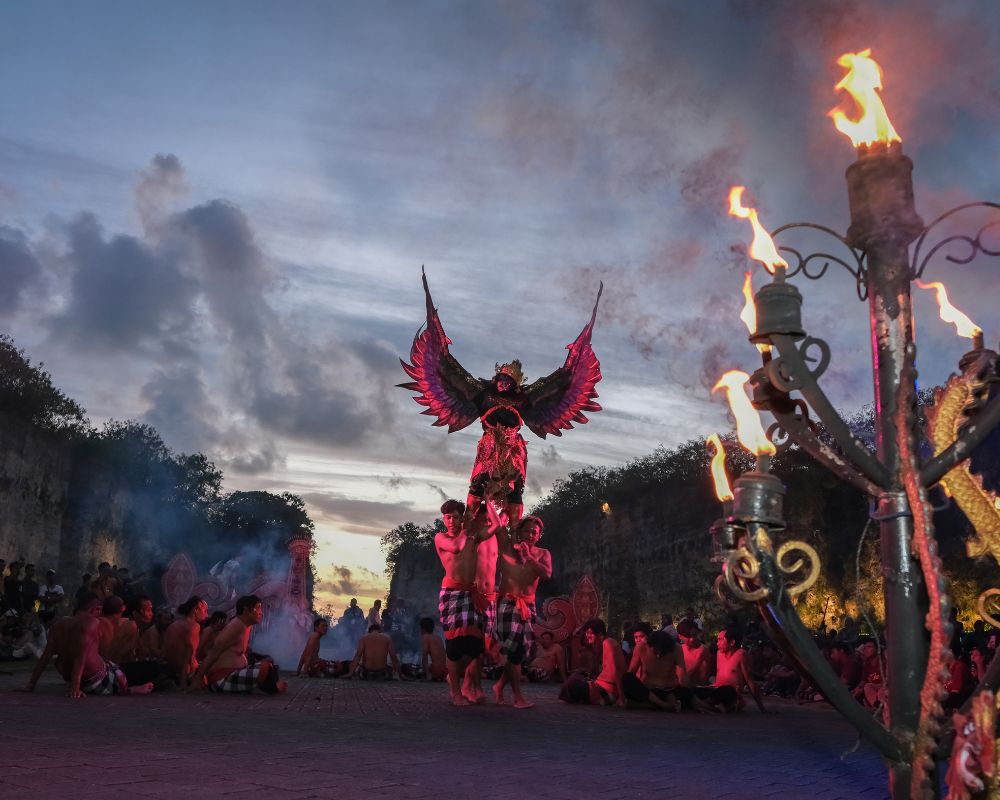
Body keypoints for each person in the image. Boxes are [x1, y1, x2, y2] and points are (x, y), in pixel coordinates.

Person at [23, 592, 153, 697]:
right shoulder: (91, 622)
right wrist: (75, 687)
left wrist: (31, 684)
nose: (101, 616)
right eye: (100, 612)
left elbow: (45, 658)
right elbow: (81, 655)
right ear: (96, 609)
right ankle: (130, 689)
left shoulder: (58, 626)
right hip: (99, 681)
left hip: (86, 678)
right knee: (152, 669)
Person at [434, 498, 496, 705]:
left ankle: (457, 679)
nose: (451, 520)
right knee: (455, 645)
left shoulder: (472, 536)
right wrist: (467, 527)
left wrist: (488, 503)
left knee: (476, 645)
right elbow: (457, 547)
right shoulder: (441, 537)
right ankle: (455, 693)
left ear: (462, 518)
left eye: (456, 517)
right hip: (451, 592)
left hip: (471, 592)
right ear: (444, 519)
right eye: (448, 517)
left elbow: (496, 526)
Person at [492, 512, 552, 709]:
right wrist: (493, 503)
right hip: (507, 603)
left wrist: (529, 557)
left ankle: (500, 685)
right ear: (519, 532)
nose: (530, 534)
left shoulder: (543, 553)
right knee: (513, 650)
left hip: (528, 605)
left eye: (534, 532)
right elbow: (499, 528)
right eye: (526, 530)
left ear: (539, 535)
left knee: (520, 652)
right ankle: (518, 696)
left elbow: (546, 575)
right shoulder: (508, 546)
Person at [189, 595, 286, 694]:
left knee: (269, 664)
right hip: (221, 679)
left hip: (234, 672)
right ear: (246, 610)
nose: (261, 612)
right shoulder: (235, 626)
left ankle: (267, 684)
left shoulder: (246, 626)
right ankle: (272, 687)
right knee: (265, 669)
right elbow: (214, 652)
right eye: (257, 608)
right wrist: (198, 679)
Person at [695, 626, 768, 713]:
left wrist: (762, 709)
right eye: (718, 640)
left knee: (726, 690)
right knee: (694, 690)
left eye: (720, 640)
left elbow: (749, 682)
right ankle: (710, 706)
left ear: (732, 642)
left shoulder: (741, 654)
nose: (717, 643)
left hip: (730, 693)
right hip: (716, 689)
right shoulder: (719, 653)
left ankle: (708, 705)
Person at [559, 619, 627, 706]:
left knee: (571, 686)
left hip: (607, 690)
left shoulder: (608, 643)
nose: (587, 636)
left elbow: (615, 671)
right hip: (601, 686)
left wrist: (622, 697)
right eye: (587, 633)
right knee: (576, 676)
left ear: (600, 634)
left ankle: (601, 699)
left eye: (590, 633)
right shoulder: (603, 645)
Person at [623, 630, 692, 711]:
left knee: (688, 692)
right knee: (627, 678)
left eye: (662, 652)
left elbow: (683, 680)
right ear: (649, 645)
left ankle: (649, 705)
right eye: (655, 651)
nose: (658, 655)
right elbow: (631, 673)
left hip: (667, 690)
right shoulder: (641, 647)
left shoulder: (676, 649)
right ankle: (664, 706)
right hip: (647, 692)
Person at [162, 596, 209, 687]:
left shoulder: (174, 625)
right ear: (196, 609)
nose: (207, 615)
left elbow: (165, 653)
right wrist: (183, 683)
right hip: (185, 673)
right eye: (205, 611)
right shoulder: (194, 626)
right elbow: (189, 658)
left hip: (169, 670)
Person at [97, 595, 139, 664]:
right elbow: (131, 650)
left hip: (102, 667)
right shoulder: (130, 625)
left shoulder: (96, 623)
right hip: (118, 667)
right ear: (123, 608)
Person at [677, 619, 712, 685]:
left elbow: (689, 672)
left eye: (694, 635)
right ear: (680, 636)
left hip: (698, 688)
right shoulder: (681, 648)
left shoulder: (702, 649)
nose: (692, 639)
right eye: (688, 636)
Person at [419, 617, 448, 681]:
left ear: (423, 629)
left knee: (419, 671)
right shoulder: (438, 638)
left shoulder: (425, 637)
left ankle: (429, 676)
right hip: (445, 671)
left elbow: (424, 657)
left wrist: (427, 674)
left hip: (436, 670)